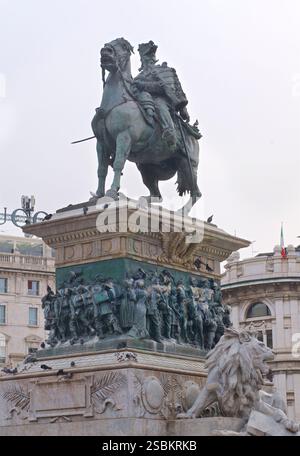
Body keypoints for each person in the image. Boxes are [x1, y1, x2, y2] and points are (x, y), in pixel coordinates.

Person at [133, 41, 190, 149]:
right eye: (147, 55)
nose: (150, 57)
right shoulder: (139, 77)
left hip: (164, 101)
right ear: (142, 59)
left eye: (152, 54)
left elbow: (175, 89)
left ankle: (170, 132)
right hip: (144, 101)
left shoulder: (165, 70)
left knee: (159, 104)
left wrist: (183, 108)